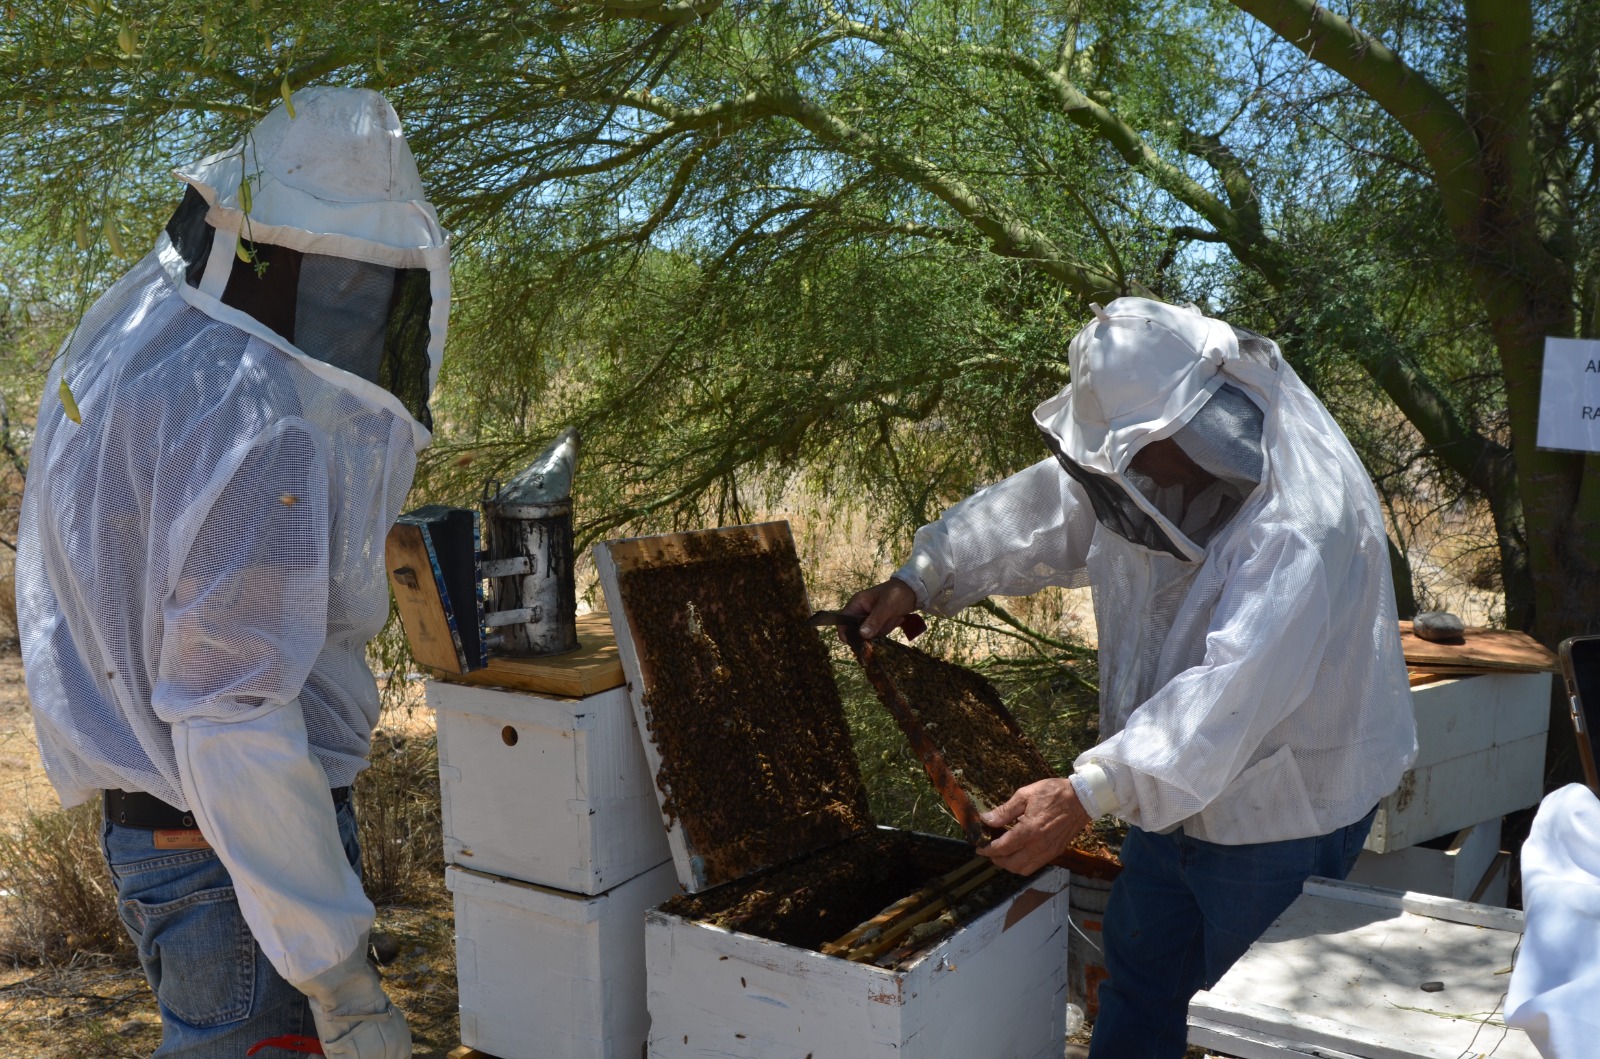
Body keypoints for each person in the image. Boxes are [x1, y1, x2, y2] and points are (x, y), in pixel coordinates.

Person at [845, 297, 1417, 1058]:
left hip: (1279, 811)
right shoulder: (1147, 461)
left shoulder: (1304, 519)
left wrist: (1086, 793)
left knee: (1249, 1033)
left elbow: (1230, 690)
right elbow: (1042, 507)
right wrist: (922, 575)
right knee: (1142, 991)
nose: (1130, 476)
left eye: (1139, 453)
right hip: (1162, 797)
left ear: (1202, 419)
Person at [14, 87, 450, 1059]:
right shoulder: (258, 419)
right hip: (231, 861)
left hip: (161, 843)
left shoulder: (149, 348)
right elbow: (230, 714)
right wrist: (341, 982)